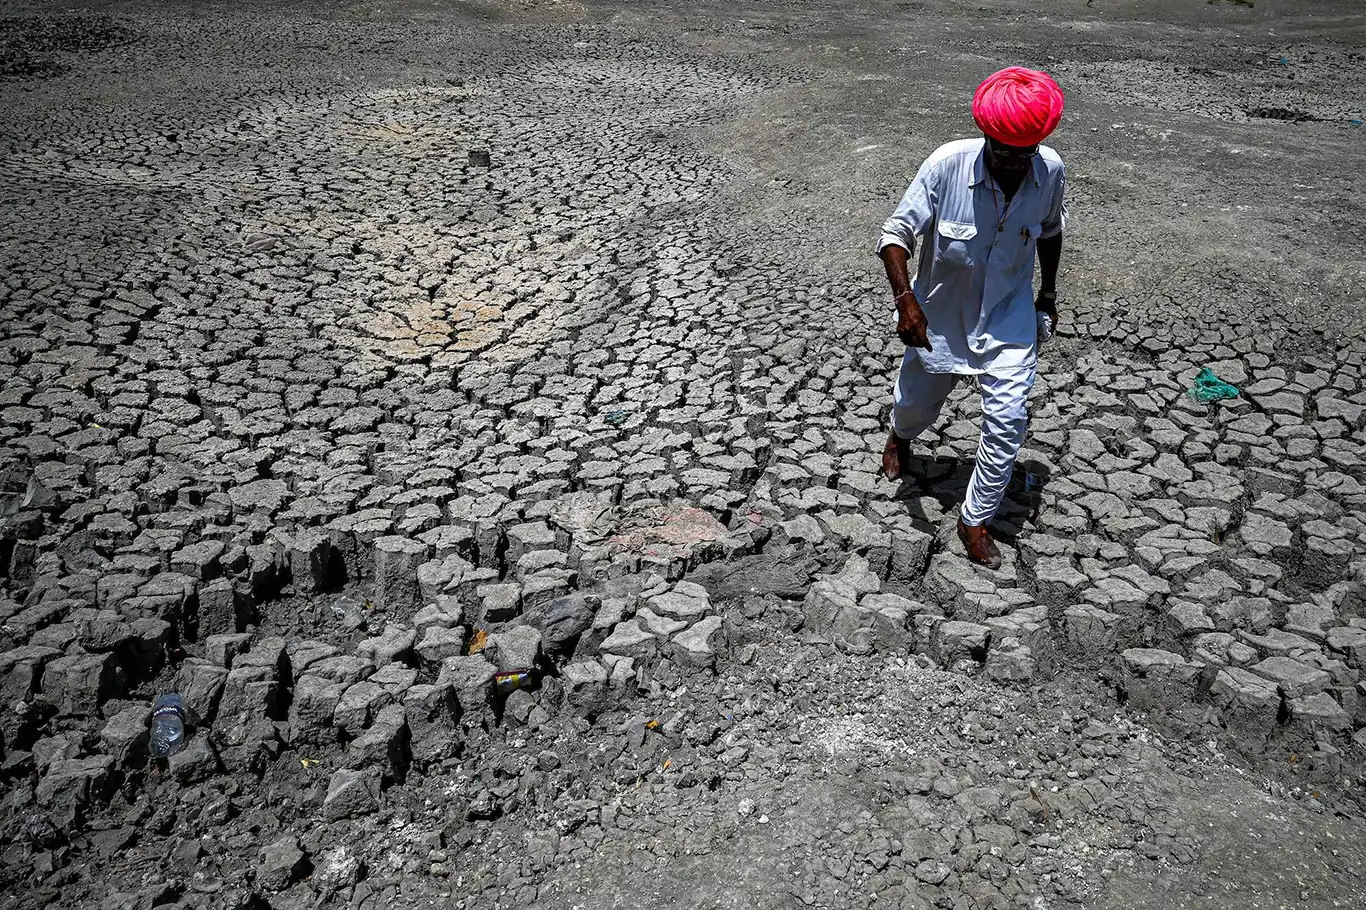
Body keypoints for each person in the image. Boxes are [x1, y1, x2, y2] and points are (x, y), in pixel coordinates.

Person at [876, 66, 1067, 570]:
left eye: (1024, 154)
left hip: (1008, 317)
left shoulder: (1049, 171)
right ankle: (899, 435)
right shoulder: (946, 166)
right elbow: (896, 234)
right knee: (916, 407)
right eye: (1003, 152)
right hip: (939, 317)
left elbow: (1049, 233)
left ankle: (974, 518)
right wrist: (906, 301)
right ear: (986, 136)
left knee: (1007, 420)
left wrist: (1046, 295)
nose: (1014, 164)